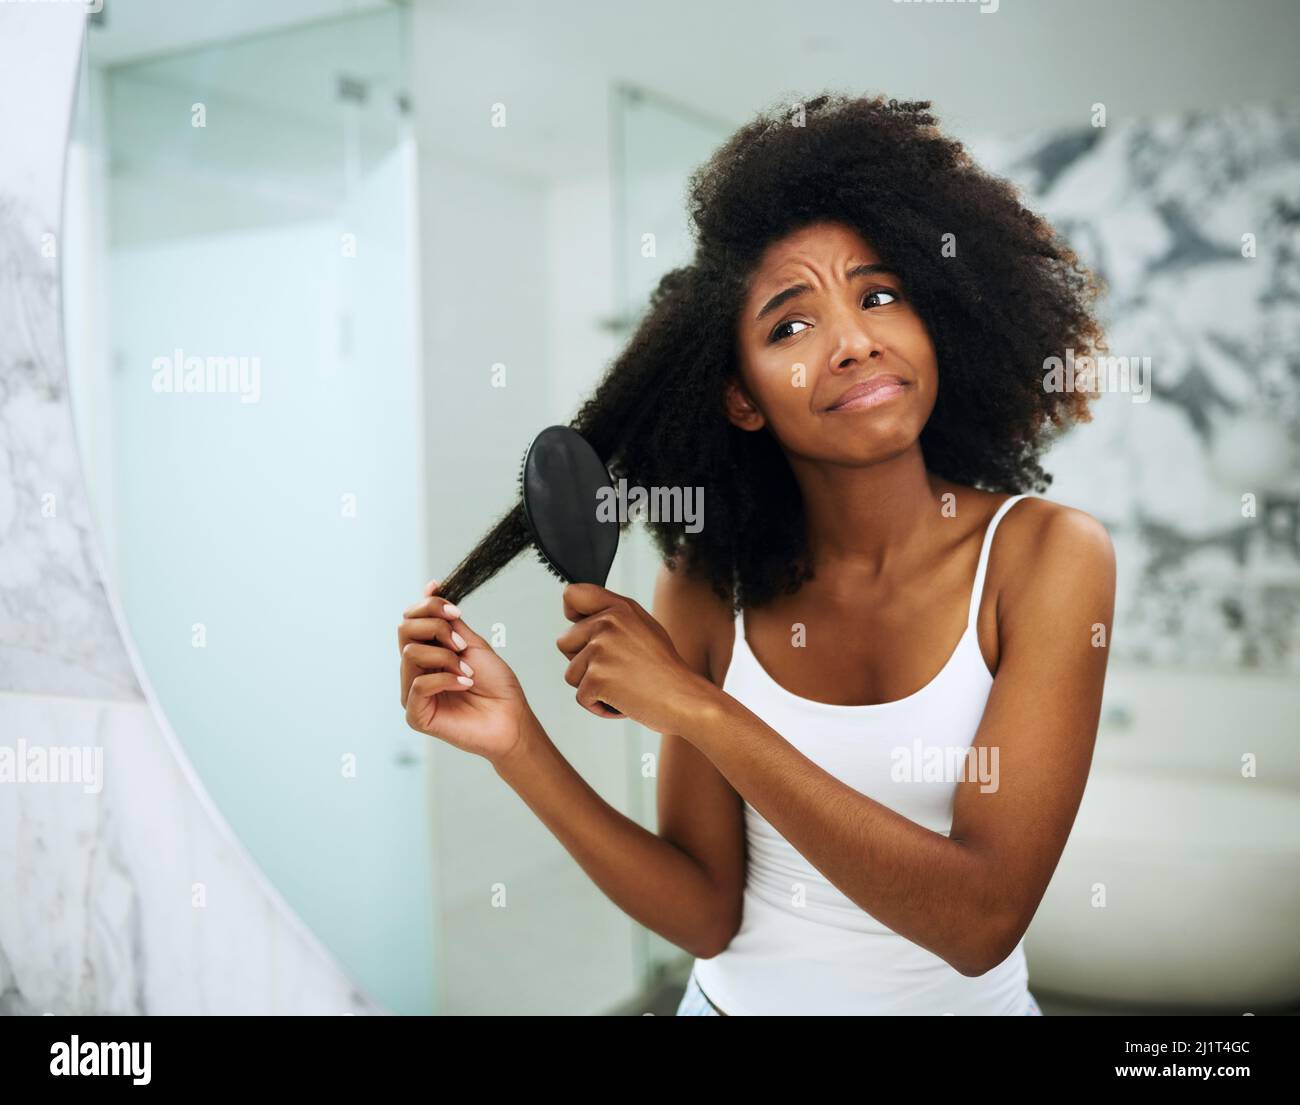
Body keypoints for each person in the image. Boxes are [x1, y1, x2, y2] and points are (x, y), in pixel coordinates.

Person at [397, 93, 1115, 1015]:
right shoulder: (710, 583)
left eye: (880, 295)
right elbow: (704, 916)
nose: (853, 342)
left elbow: (980, 923)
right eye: (790, 325)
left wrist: (698, 708)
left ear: (937, 325)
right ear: (741, 398)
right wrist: (517, 744)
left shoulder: (1048, 556)